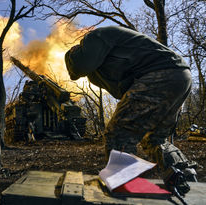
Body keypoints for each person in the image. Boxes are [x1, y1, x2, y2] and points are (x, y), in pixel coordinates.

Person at [64, 26, 197, 182]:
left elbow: (80, 66)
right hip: (180, 77)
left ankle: (124, 183)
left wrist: (70, 54)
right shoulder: (111, 49)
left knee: (119, 133)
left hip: (161, 74)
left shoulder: (95, 37)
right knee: (154, 138)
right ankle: (184, 174)